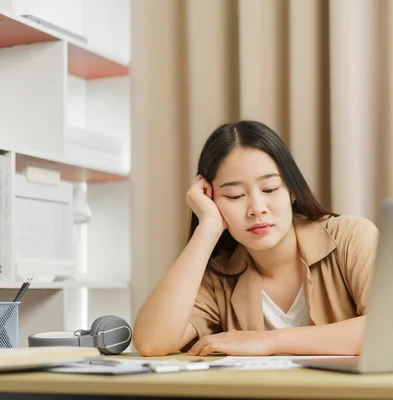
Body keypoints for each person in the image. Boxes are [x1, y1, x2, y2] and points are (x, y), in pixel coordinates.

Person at [133, 120, 379, 357]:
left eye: (270, 189)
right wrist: (208, 227)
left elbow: (392, 327)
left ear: (292, 191)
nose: (257, 208)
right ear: (212, 200)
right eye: (234, 196)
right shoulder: (218, 276)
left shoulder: (350, 237)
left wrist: (271, 341)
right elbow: (152, 342)